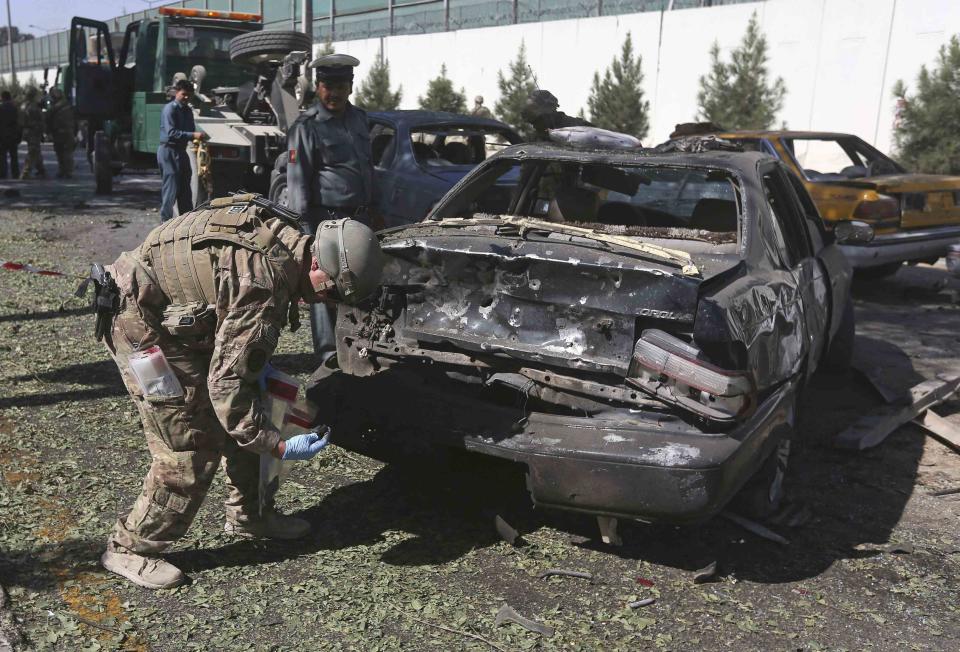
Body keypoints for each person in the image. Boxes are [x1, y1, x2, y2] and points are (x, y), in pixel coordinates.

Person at [95, 194, 385, 589]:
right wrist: (278, 446)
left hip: (177, 317)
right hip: (141, 326)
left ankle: (250, 516)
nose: (325, 300)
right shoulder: (264, 281)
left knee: (254, 403)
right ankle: (130, 548)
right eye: (330, 291)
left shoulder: (285, 240)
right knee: (189, 443)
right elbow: (226, 386)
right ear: (316, 261)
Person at [286, 53, 377, 357]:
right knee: (324, 287)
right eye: (327, 85)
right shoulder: (307, 126)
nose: (334, 92)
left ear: (351, 86)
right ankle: (327, 354)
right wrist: (304, 236)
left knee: (359, 284)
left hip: (360, 219)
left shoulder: (360, 119)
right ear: (317, 86)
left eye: (341, 85)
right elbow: (298, 183)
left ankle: (356, 347)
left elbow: (367, 167)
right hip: (326, 220)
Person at [158, 79, 205, 221]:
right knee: (171, 187)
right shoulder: (170, 109)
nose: (186, 97)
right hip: (168, 151)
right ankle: (165, 222)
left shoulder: (188, 111)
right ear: (176, 93)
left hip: (181, 151)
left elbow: (190, 130)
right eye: (183, 94)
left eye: (189, 95)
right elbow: (172, 132)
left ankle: (185, 222)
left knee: (185, 188)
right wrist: (193, 135)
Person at [521, 89, 591, 141]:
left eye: (537, 120)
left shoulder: (578, 126)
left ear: (550, 110)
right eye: (532, 122)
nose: (534, 125)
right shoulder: (533, 139)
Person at [46, 88, 76, 179]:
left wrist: (48, 132)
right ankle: (68, 171)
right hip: (68, 132)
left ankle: (62, 170)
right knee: (68, 152)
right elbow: (75, 119)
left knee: (60, 153)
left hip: (58, 132)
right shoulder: (68, 105)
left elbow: (48, 121)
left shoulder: (53, 108)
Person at [19, 87, 46, 180]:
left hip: (28, 131)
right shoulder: (33, 107)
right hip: (33, 132)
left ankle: (41, 170)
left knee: (36, 151)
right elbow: (39, 120)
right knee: (33, 152)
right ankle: (25, 173)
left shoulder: (24, 106)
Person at [0, 90, 21, 179]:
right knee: (14, 156)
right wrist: (19, 135)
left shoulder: (1, 108)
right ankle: (15, 174)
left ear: (2, 97)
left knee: (2, 156)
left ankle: (3, 174)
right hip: (13, 135)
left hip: (2, 135)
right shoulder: (15, 108)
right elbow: (19, 123)